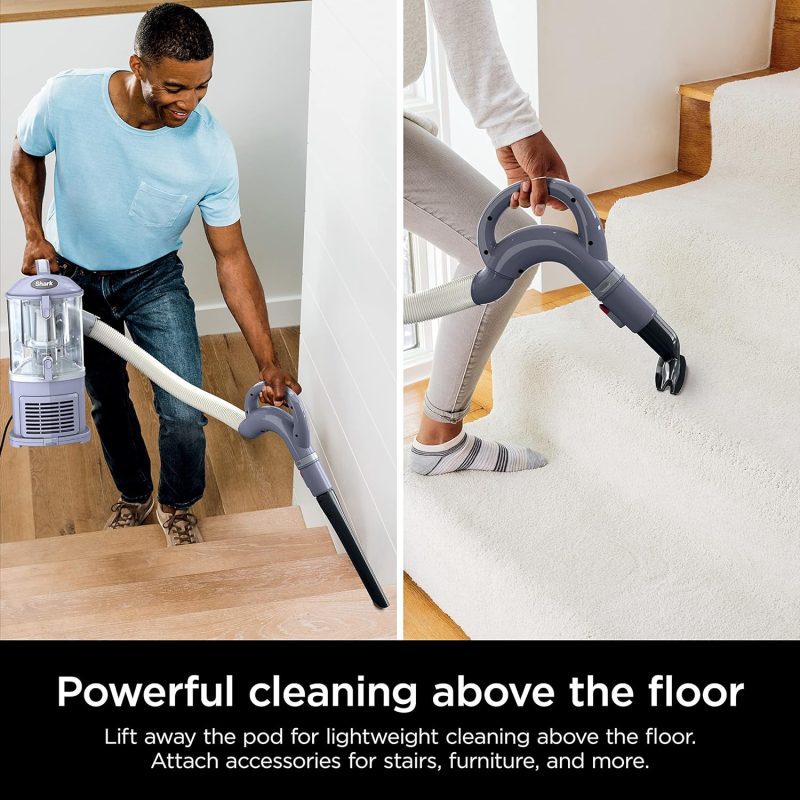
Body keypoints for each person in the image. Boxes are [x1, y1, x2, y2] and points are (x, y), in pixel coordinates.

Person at [10, 3, 300, 543]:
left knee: (185, 407)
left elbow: (232, 257)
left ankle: (178, 502)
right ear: (137, 66)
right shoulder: (67, 97)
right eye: (174, 87)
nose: (188, 104)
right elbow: (25, 158)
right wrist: (33, 233)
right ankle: (135, 493)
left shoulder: (209, 148)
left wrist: (268, 362)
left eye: (202, 87)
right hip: (72, 275)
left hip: (151, 279)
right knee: (107, 399)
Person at [405, 0, 569, 476]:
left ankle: (438, 437)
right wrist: (514, 124)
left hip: (376, 105)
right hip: (354, 110)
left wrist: (510, 126)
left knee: (511, 240)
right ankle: (438, 439)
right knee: (510, 243)